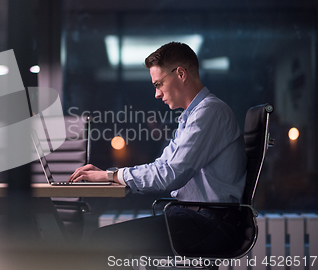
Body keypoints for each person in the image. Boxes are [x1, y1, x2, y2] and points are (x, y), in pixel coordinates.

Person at [69, 42, 247, 260]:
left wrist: (111, 175)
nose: (156, 94)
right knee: (107, 241)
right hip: (197, 219)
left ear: (180, 73)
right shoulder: (192, 116)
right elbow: (161, 166)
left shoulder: (209, 113)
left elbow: (169, 176)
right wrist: (110, 175)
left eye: (159, 84)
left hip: (210, 224)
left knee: (101, 241)